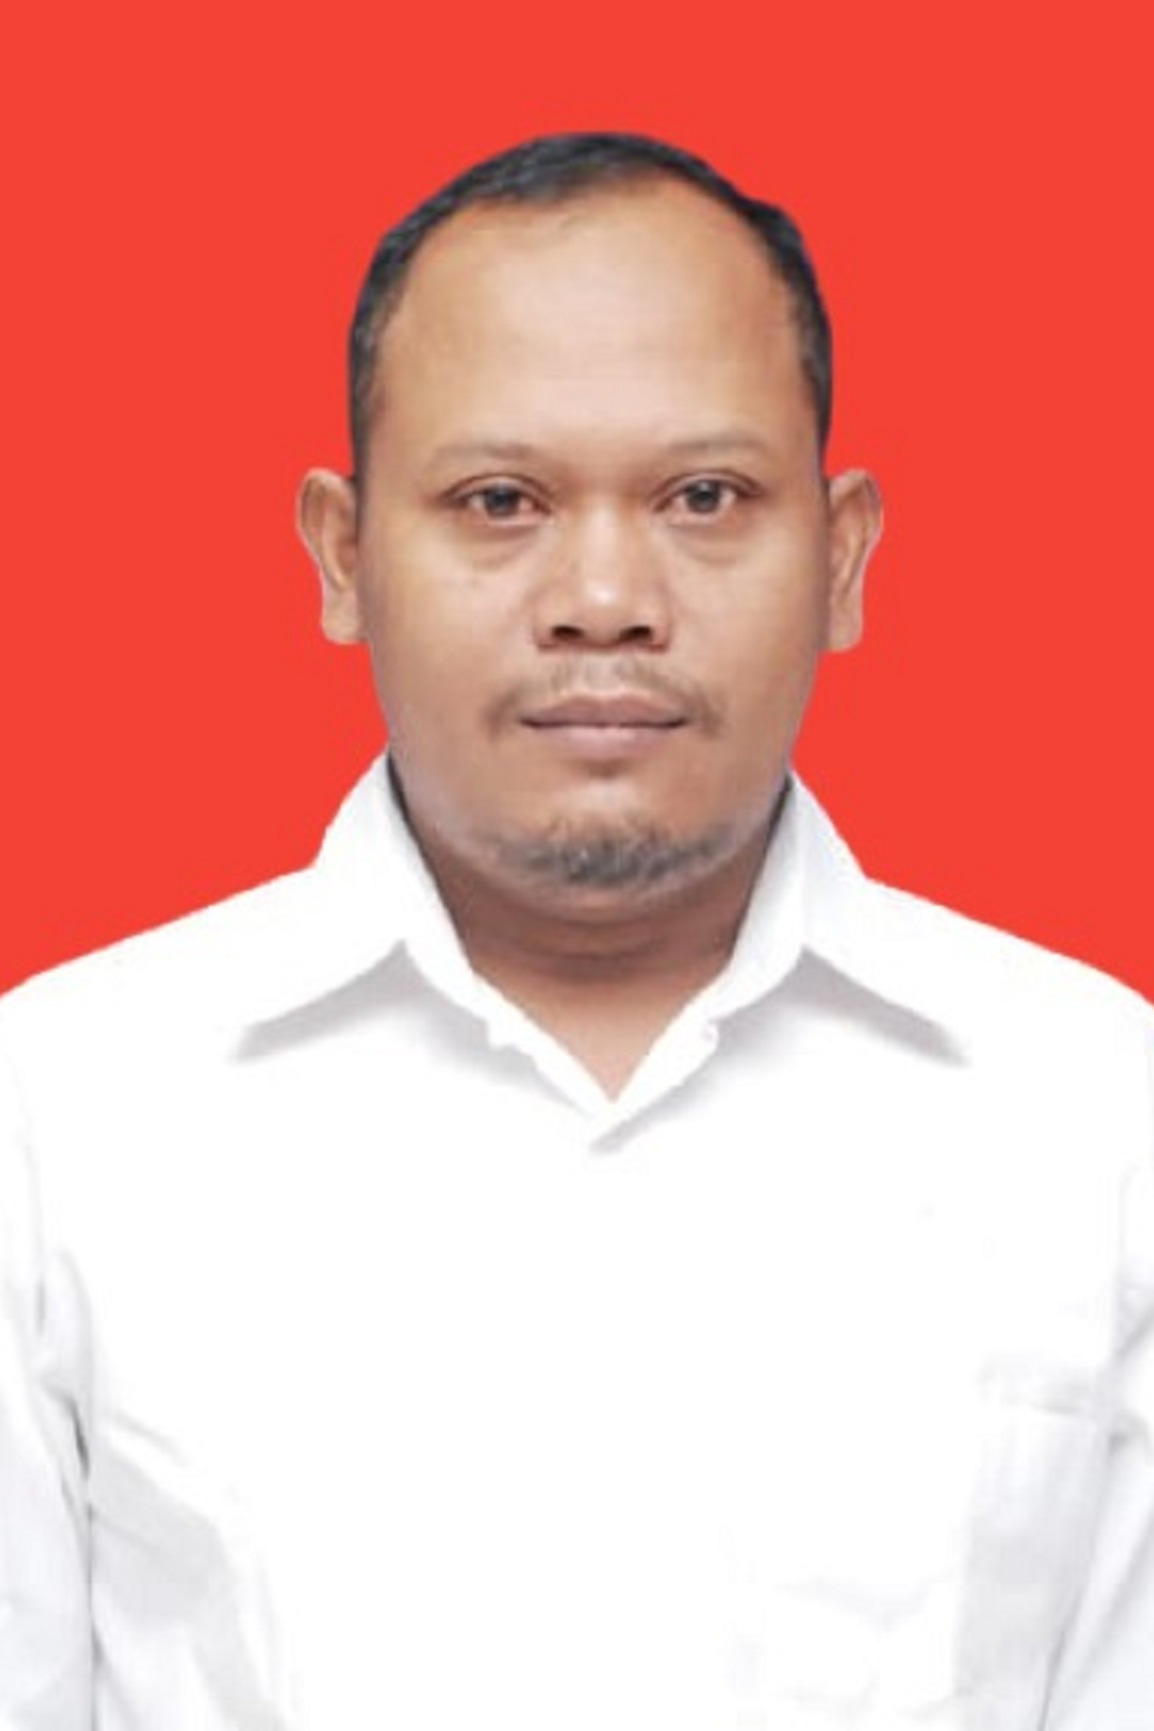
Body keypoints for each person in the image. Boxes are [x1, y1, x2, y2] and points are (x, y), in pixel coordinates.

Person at [0, 132, 1150, 1731]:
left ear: (841, 556)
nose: (603, 597)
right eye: (499, 501)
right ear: (342, 555)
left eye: (702, 497)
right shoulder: (57, 1113)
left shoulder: (1098, 1112)